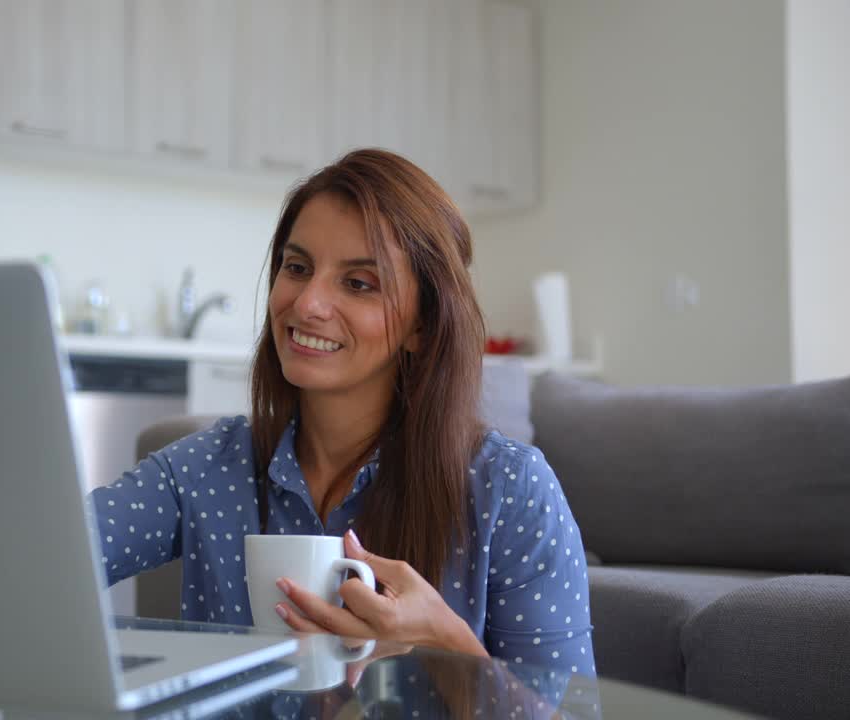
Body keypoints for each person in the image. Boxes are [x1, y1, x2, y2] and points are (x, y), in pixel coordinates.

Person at [90, 148, 596, 679]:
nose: (307, 303)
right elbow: (46, 560)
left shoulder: (511, 489)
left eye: (358, 283)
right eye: (298, 267)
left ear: (421, 327)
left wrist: (449, 650)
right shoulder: (205, 471)